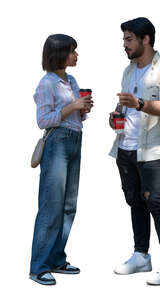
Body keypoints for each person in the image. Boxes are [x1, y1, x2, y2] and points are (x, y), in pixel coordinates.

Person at [109, 17, 160, 285]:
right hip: (125, 147)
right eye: (124, 39)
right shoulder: (128, 70)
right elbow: (125, 106)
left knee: (157, 204)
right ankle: (141, 256)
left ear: (145, 39)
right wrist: (117, 114)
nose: (124, 45)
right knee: (135, 202)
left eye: (129, 39)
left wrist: (139, 104)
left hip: (151, 152)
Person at [29, 34, 93, 285]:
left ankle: (56, 258)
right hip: (57, 143)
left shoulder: (72, 79)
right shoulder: (47, 83)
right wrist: (72, 106)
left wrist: (83, 109)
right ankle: (38, 267)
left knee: (68, 206)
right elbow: (43, 120)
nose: (76, 55)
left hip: (75, 139)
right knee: (51, 206)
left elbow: (74, 115)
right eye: (72, 51)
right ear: (59, 54)